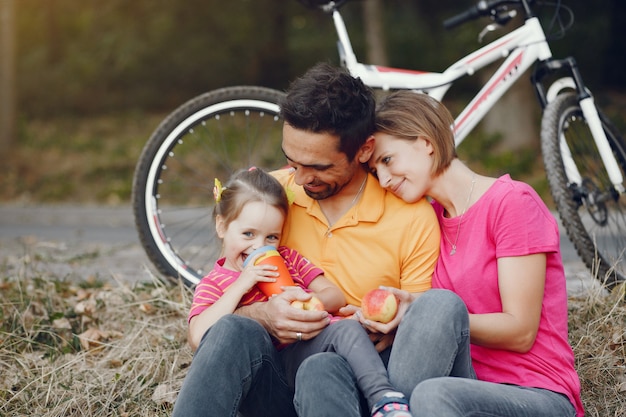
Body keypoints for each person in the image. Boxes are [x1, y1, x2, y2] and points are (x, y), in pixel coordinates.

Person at [171, 63, 440, 417]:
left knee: (322, 370)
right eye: (291, 161)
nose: (298, 179)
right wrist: (263, 315)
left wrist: (388, 327)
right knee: (236, 328)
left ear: (363, 149)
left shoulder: (411, 217)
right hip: (273, 386)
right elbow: (228, 279)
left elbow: (417, 323)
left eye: (318, 167)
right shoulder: (271, 198)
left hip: (349, 384)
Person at [367, 90, 584, 416]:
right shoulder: (427, 223)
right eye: (374, 171)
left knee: (433, 392)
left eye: (387, 160)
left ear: (425, 143)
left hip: (534, 392)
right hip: (464, 381)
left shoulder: (511, 203)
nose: (383, 179)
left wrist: (434, 316)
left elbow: (521, 331)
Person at [180, 167, 413, 417]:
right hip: (272, 381)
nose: (258, 246)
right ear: (222, 226)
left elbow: (335, 296)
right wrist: (242, 284)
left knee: (347, 328)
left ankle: (383, 398)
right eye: (248, 234)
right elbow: (198, 336)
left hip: (312, 357)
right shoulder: (215, 283)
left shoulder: (287, 259)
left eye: (271, 237)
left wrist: (304, 300)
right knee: (230, 328)